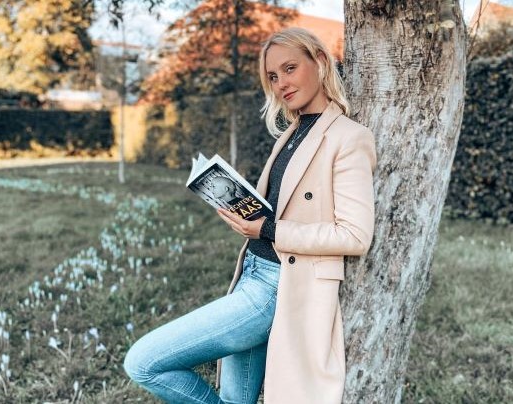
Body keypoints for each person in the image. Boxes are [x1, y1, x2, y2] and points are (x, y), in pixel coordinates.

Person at [123, 26, 376, 404]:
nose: (281, 84)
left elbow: (355, 236)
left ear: (320, 62)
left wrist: (268, 228)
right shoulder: (291, 132)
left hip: (279, 287)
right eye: (273, 76)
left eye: (290, 68)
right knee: (235, 398)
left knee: (143, 363)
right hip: (253, 273)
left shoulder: (348, 137)